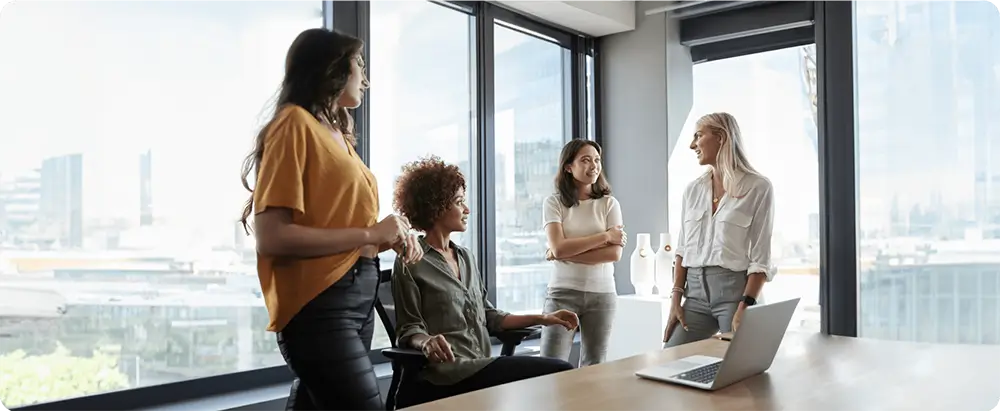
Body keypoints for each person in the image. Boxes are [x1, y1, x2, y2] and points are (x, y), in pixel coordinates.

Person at [238, 28, 423, 411]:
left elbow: (338, 225)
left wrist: (389, 236)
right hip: (322, 306)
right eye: (359, 65)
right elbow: (271, 237)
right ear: (332, 68)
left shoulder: (337, 134)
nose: (365, 79)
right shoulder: (293, 124)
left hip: (357, 298)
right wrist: (371, 231)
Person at [391, 156, 578, 407]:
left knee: (560, 374)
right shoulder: (411, 260)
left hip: (481, 365)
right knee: (560, 370)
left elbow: (490, 316)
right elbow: (409, 328)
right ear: (435, 207)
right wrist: (427, 342)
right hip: (446, 375)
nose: (467, 209)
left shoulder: (466, 257)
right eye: (459, 202)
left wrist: (544, 318)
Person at [662, 112, 774, 348]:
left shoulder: (758, 187)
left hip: (735, 296)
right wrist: (675, 301)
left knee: (737, 369)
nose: (692, 145)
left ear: (721, 137)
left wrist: (746, 305)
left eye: (698, 136)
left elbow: (761, 258)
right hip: (694, 298)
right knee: (670, 358)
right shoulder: (692, 190)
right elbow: (682, 250)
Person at [540, 140, 625, 366]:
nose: (593, 166)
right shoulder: (554, 202)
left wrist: (563, 252)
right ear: (568, 166)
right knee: (549, 365)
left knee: (594, 367)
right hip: (562, 293)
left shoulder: (610, 204)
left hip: (602, 294)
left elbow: (613, 255)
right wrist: (605, 237)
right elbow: (559, 246)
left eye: (596, 160)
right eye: (585, 160)